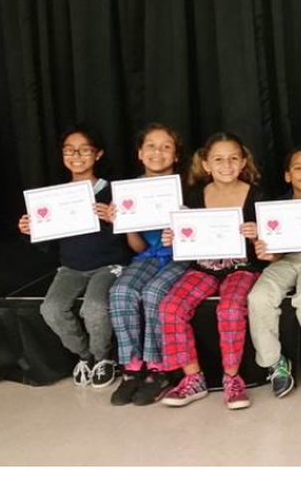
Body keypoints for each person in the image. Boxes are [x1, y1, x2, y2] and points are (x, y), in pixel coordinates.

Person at [18, 124, 135, 390]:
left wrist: (114, 220)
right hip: (71, 267)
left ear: (98, 154)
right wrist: (30, 230)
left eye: (84, 150)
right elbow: (47, 244)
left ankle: (104, 358)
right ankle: (85, 355)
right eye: (69, 150)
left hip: (109, 265)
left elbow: (130, 238)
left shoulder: (113, 192)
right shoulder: (55, 197)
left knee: (94, 307)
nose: (76, 156)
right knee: (51, 308)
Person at [158, 132, 266, 410]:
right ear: (206, 164)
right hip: (203, 267)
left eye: (233, 158)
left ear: (243, 162)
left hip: (242, 268)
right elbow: (187, 234)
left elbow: (270, 245)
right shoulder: (196, 196)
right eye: (218, 159)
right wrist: (173, 237)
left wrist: (258, 234)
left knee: (230, 309)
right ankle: (193, 378)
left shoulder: (257, 196)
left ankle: (232, 378)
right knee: (170, 308)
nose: (226, 165)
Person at [107, 123, 190, 406]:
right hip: (148, 256)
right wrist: (125, 223)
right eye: (151, 146)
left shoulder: (188, 189)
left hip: (181, 258)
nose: (158, 152)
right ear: (140, 153)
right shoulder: (129, 194)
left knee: (154, 293)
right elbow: (139, 248)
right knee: (121, 291)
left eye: (166, 147)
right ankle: (132, 368)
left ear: (176, 155)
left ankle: (159, 369)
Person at [247, 146, 301, 400]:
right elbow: (273, 254)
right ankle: (275, 363)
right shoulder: (275, 208)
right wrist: (266, 252)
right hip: (283, 261)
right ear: (288, 175)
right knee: (258, 297)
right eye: (298, 168)